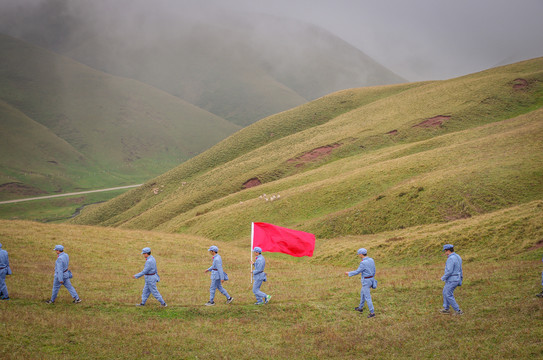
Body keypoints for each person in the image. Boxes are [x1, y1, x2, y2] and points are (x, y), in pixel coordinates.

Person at [345, 248, 376, 318]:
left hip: (366, 281)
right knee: (362, 293)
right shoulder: (371, 260)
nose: (359, 255)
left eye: (359, 254)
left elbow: (357, 271)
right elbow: (374, 270)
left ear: (361, 254)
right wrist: (372, 278)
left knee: (368, 297)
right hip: (371, 279)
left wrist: (349, 273)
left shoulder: (363, 263)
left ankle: (372, 313)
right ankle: (360, 308)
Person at [440, 244, 464, 315]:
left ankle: (458, 311)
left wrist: (443, 278)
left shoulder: (450, 258)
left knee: (448, 294)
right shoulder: (458, 256)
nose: (445, 253)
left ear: (448, 251)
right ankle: (446, 308)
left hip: (452, 279)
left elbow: (449, 271)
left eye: (445, 251)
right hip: (457, 278)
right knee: (445, 291)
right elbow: (460, 269)